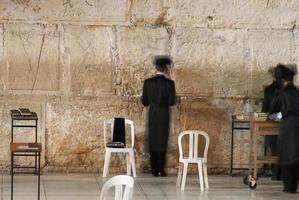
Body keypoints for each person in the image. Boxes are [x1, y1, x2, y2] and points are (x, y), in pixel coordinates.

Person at [141, 55, 176, 177]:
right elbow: (172, 102)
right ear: (166, 69)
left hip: (153, 114)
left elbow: (144, 101)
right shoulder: (170, 83)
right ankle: (161, 169)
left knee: (153, 139)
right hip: (164, 114)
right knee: (162, 140)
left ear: (156, 67)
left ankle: (154, 169)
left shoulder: (148, 82)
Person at [274, 64, 299, 193]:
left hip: (288, 126)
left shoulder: (284, 93)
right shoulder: (296, 91)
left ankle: (289, 187)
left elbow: (279, 109)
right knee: (295, 156)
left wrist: (274, 115)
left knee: (287, 156)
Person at [261, 65, 283, 180]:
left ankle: (276, 174)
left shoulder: (269, 89)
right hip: (287, 125)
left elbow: (264, 111)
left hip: (271, 125)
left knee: (274, 148)